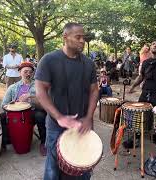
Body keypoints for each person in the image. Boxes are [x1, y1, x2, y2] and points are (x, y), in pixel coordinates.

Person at [35, 22, 99, 180]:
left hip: (82, 125)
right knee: (53, 168)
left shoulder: (89, 64)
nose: (82, 41)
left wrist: (89, 118)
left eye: (84, 37)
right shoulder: (49, 60)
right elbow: (40, 91)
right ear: (65, 37)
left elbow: (94, 90)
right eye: (78, 37)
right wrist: (60, 117)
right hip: (56, 126)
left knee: (84, 166)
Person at [0, 62, 47, 156]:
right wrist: (11, 105)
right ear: (20, 72)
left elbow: (45, 105)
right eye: (25, 71)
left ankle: (44, 142)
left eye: (30, 72)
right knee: (1, 117)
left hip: (32, 112)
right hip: (16, 114)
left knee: (40, 115)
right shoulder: (12, 87)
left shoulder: (38, 86)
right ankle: (4, 143)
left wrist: (31, 97)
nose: (28, 74)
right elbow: (3, 105)